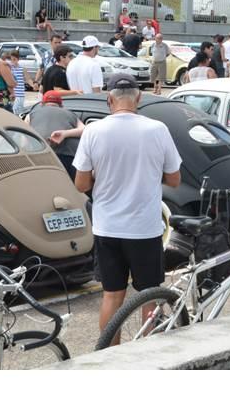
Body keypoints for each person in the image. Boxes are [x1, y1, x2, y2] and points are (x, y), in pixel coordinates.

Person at [72, 74, 181, 345]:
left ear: (109, 99)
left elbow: (81, 183)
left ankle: (111, 354)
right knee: (150, 294)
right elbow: (175, 180)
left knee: (112, 295)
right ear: (139, 98)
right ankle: (146, 352)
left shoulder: (94, 130)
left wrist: (104, 177)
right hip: (144, 228)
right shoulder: (157, 129)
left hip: (108, 227)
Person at [27, 90, 84, 181]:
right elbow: (85, 130)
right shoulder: (70, 113)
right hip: (68, 157)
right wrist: (65, 134)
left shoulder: (32, 114)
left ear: (42, 104)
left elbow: (23, 135)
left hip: (40, 156)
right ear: (61, 105)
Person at [5, 50, 29, 115]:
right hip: (12, 94)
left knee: (17, 112)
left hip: (20, 94)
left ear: (18, 59)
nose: (12, 61)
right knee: (12, 111)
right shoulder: (9, 68)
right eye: (11, 59)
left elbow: (28, 79)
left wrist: (33, 84)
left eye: (14, 59)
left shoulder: (22, 68)